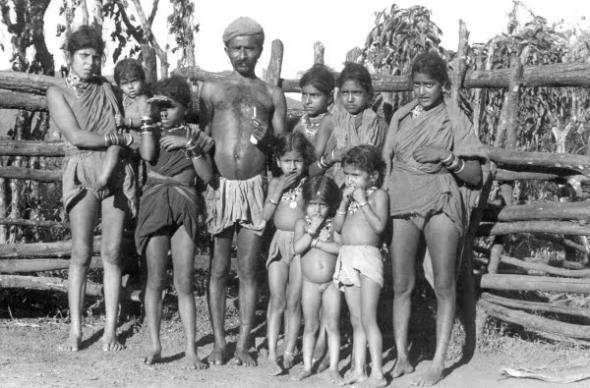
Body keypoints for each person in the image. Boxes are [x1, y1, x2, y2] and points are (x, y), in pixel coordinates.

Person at [382, 51, 485, 386]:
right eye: (416, 84)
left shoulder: (454, 118)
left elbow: (475, 175)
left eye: (429, 85)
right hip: (402, 200)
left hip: (441, 199)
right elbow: (387, 163)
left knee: (443, 283)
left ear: (443, 85)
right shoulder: (400, 117)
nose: (422, 91)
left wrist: (447, 157)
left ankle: (439, 360)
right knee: (401, 284)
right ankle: (401, 357)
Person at [200, 16, 288, 366]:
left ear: (260, 50)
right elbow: (205, 137)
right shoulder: (211, 90)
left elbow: (280, 145)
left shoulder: (270, 93)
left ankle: (243, 345)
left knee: (249, 268)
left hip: (254, 188)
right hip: (220, 186)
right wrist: (206, 184)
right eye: (236, 48)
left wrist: (265, 135)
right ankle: (220, 342)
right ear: (226, 50)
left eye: (249, 48)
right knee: (219, 268)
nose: (242, 55)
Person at [47, 26, 137, 352]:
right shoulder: (57, 92)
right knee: (81, 253)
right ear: (69, 56)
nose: (90, 62)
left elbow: (118, 125)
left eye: (96, 56)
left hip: (113, 172)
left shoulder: (108, 89)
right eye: (84, 56)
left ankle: (111, 330)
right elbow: (77, 136)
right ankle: (76, 330)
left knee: (112, 252)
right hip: (81, 170)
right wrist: (115, 139)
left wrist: (114, 150)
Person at [135, 76, 214, 369]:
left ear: (185, 107)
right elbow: (147, 155)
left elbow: (206, 176)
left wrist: (188, 144)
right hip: (155, 202)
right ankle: (155, 344)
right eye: (160, 106)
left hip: (185, 203)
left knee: (183, 280)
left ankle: (191, 348)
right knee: (154, 279)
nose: (164, 112)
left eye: (171, 106)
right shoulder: (151, 131)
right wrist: (146, 118)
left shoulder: (195, 134)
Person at [332, 145, 388, 388]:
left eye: (356, 175)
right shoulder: (348, 196)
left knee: (368, 318)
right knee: (355, 319)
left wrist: (363, 201)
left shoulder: (378, 196)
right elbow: (337, 227)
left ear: (373, 176)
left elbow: (379, 227)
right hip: (348, 256)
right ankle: (358, 369)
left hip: (368, 257)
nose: (350, 180)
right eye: (347, 174)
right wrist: (344, 203)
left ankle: (377, 372)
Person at [262, 132, 315, 375]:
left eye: (298, 161)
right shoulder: (275, 183)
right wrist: (279, 188)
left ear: (305, 161)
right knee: (277, 299)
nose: (292, 166)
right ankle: (272, 353)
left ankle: (289, 351)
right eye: (287, 161)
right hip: (278, 242)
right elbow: (265, 216)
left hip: (300, 244)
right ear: (278, 160)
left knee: (294, 300)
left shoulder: (310, 184)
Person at [291, 175, 342, 383]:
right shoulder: (302, 224)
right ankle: (307, 365)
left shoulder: (333, 224)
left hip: (331, 284)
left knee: (332, 324)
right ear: (305, 204)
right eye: (313, 204)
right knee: (310, 325)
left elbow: (340, 247)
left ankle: (333, 367)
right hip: (310, 285)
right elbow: (296, 248)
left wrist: (319, 244)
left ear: (330, 206)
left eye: (322, 205)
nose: (317, 210)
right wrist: (312, 232)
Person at [313, 62, 387, 186]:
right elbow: (311, 169)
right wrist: (331, 157)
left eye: (357, 92)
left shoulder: (380, 125)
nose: (350, 99)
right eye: (345, 92)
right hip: (333, 192)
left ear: (368, 94)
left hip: (367, 196)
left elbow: (385, 166)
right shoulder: (331, 122)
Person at [97, 58, 151, 189]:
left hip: (140, 141)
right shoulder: (123, 98)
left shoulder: (142, 99)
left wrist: (127, 121)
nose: (130, 87)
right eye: (125, 84)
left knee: (114, 147)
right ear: (120, 85)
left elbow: (146, 120)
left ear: (142, 80)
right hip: (128, 141)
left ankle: (103, 180)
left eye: (134, 81)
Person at [293, 64, 335, 159]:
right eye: (304, 94)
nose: (307, 101)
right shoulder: (302, 121)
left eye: (314, 95)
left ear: (329, 98)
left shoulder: (330, 121)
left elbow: (317, 155)